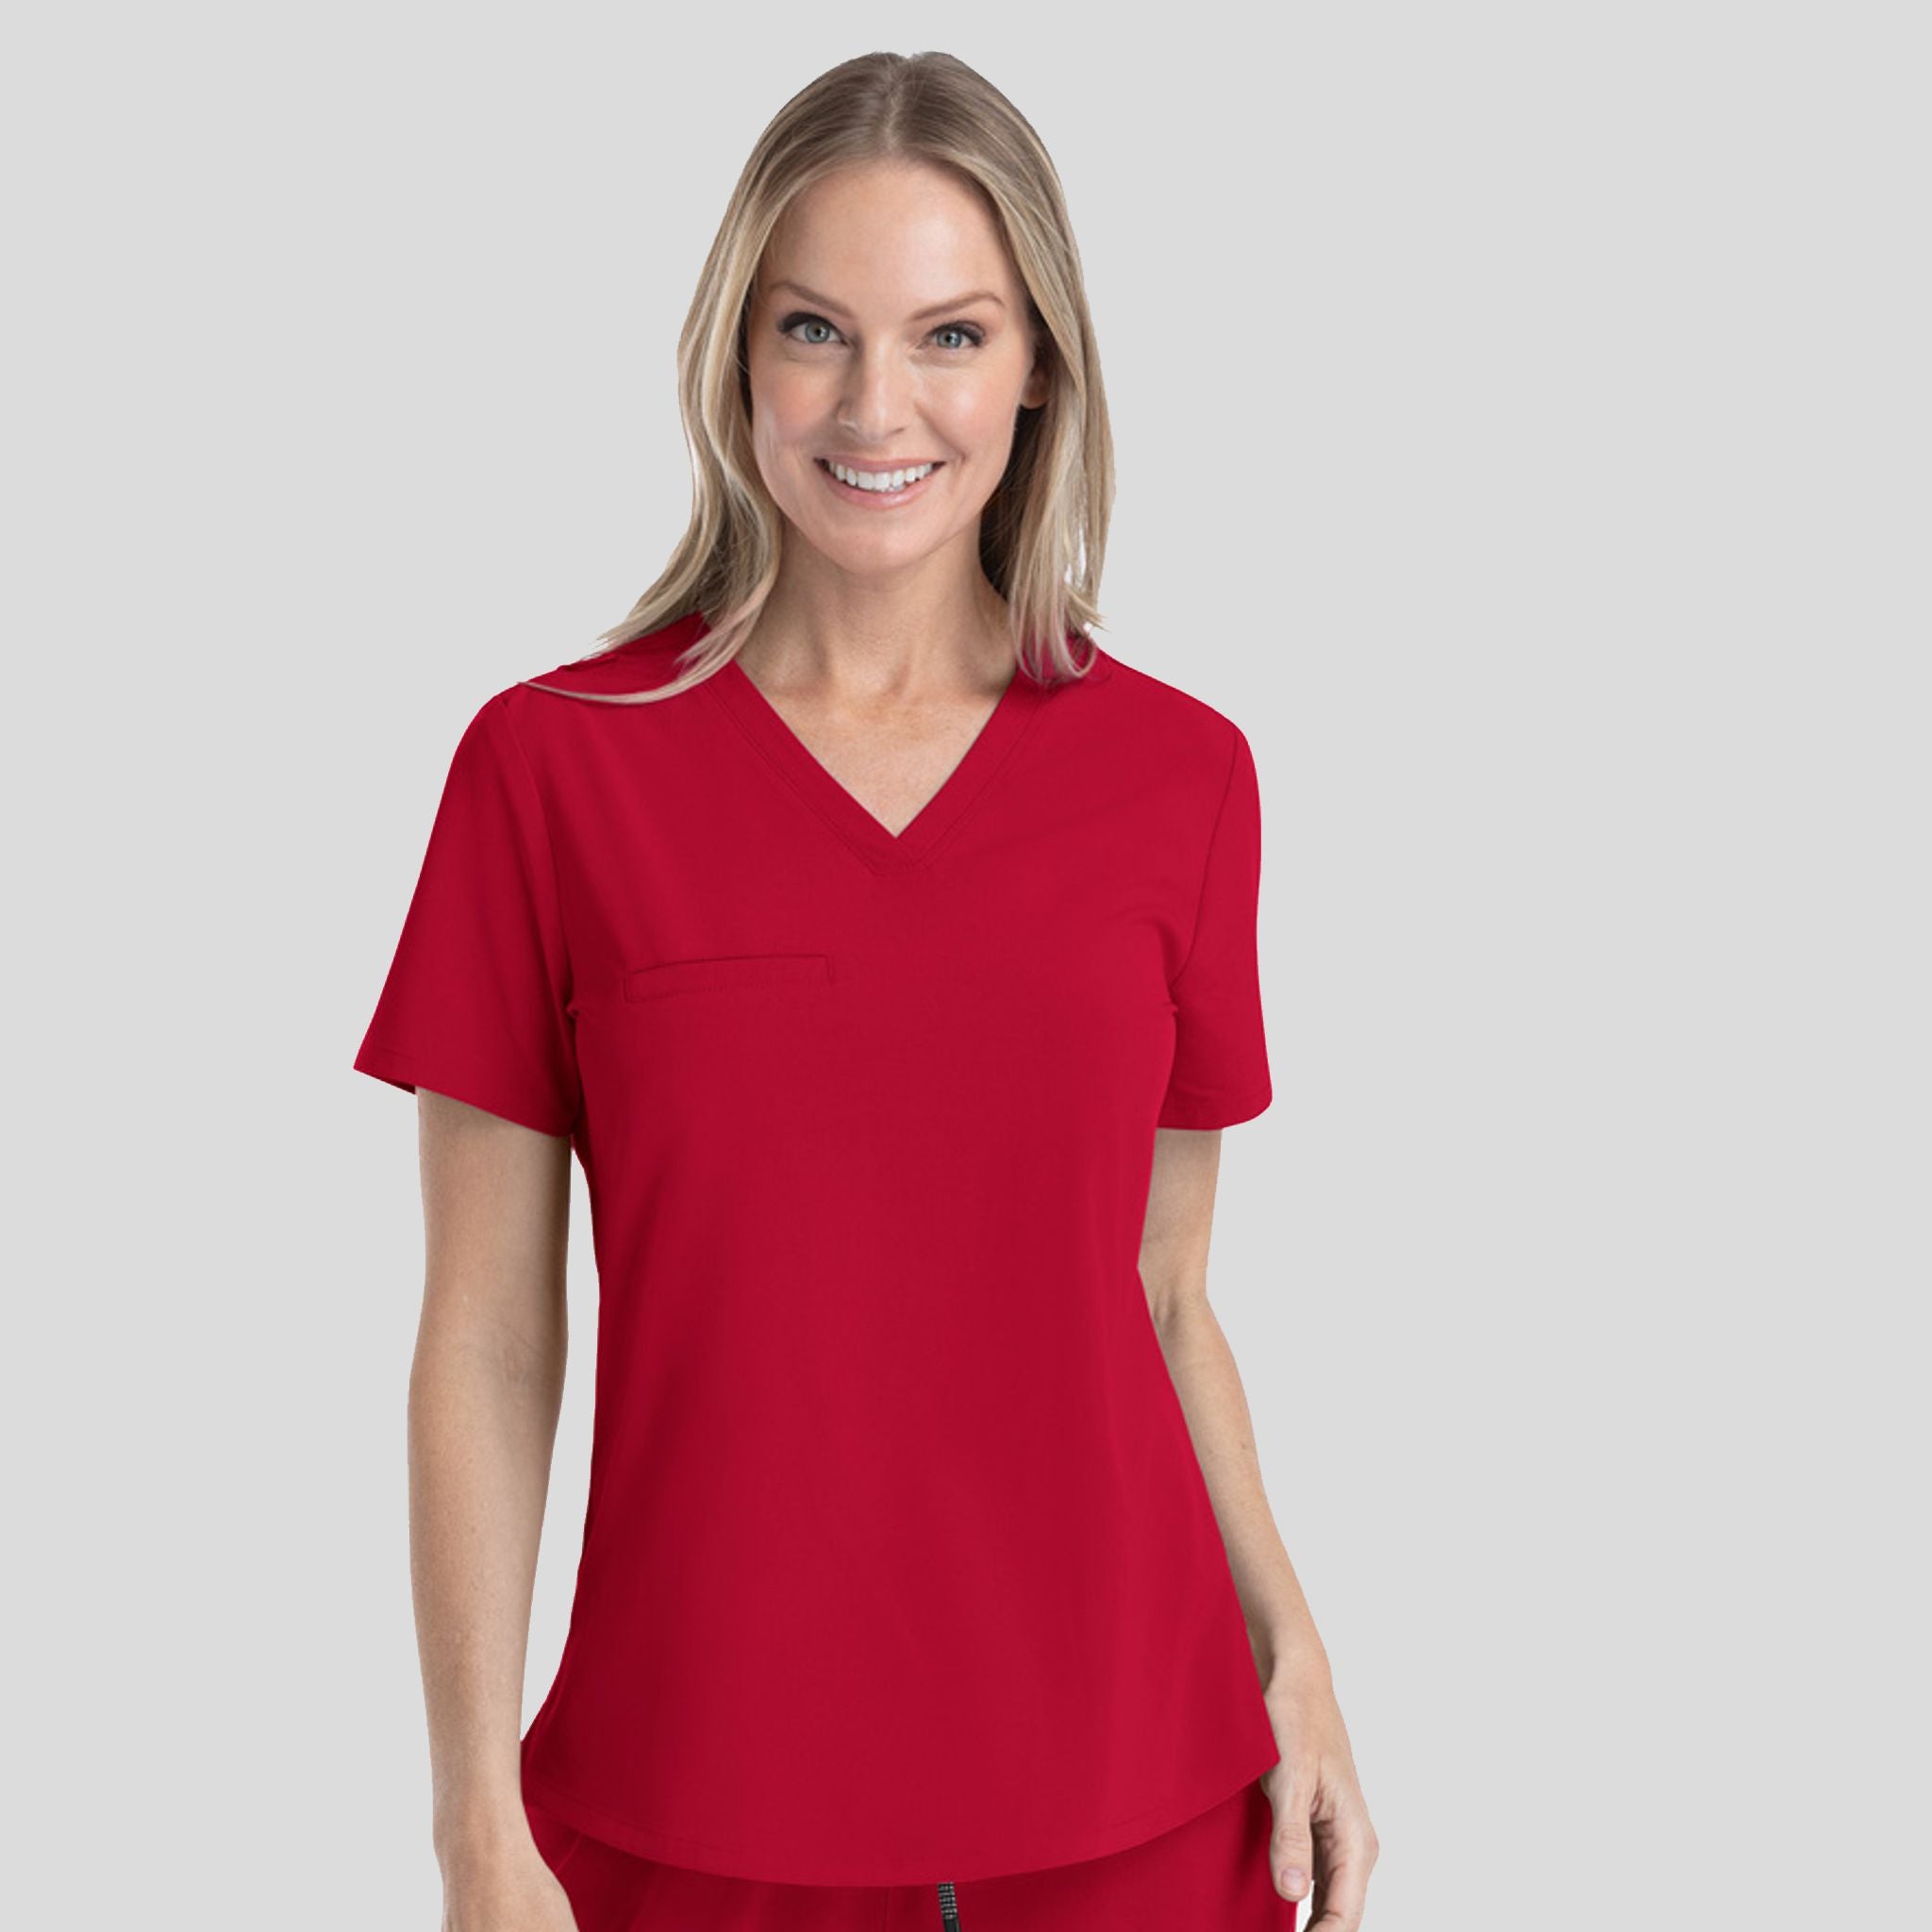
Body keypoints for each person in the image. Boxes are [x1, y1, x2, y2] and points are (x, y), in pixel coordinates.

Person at [352, 48, 1377, 1932]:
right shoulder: (555, 771)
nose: (875, 405)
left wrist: (1291, 1652)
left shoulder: (1183, 778)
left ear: (1039, 366)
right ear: (736, 356)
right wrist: (474, 1822)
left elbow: (1162, 1295)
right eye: (813, 329)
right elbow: (487, 1336)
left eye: (951, 336)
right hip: (686, 1810)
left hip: (1142, 1798)